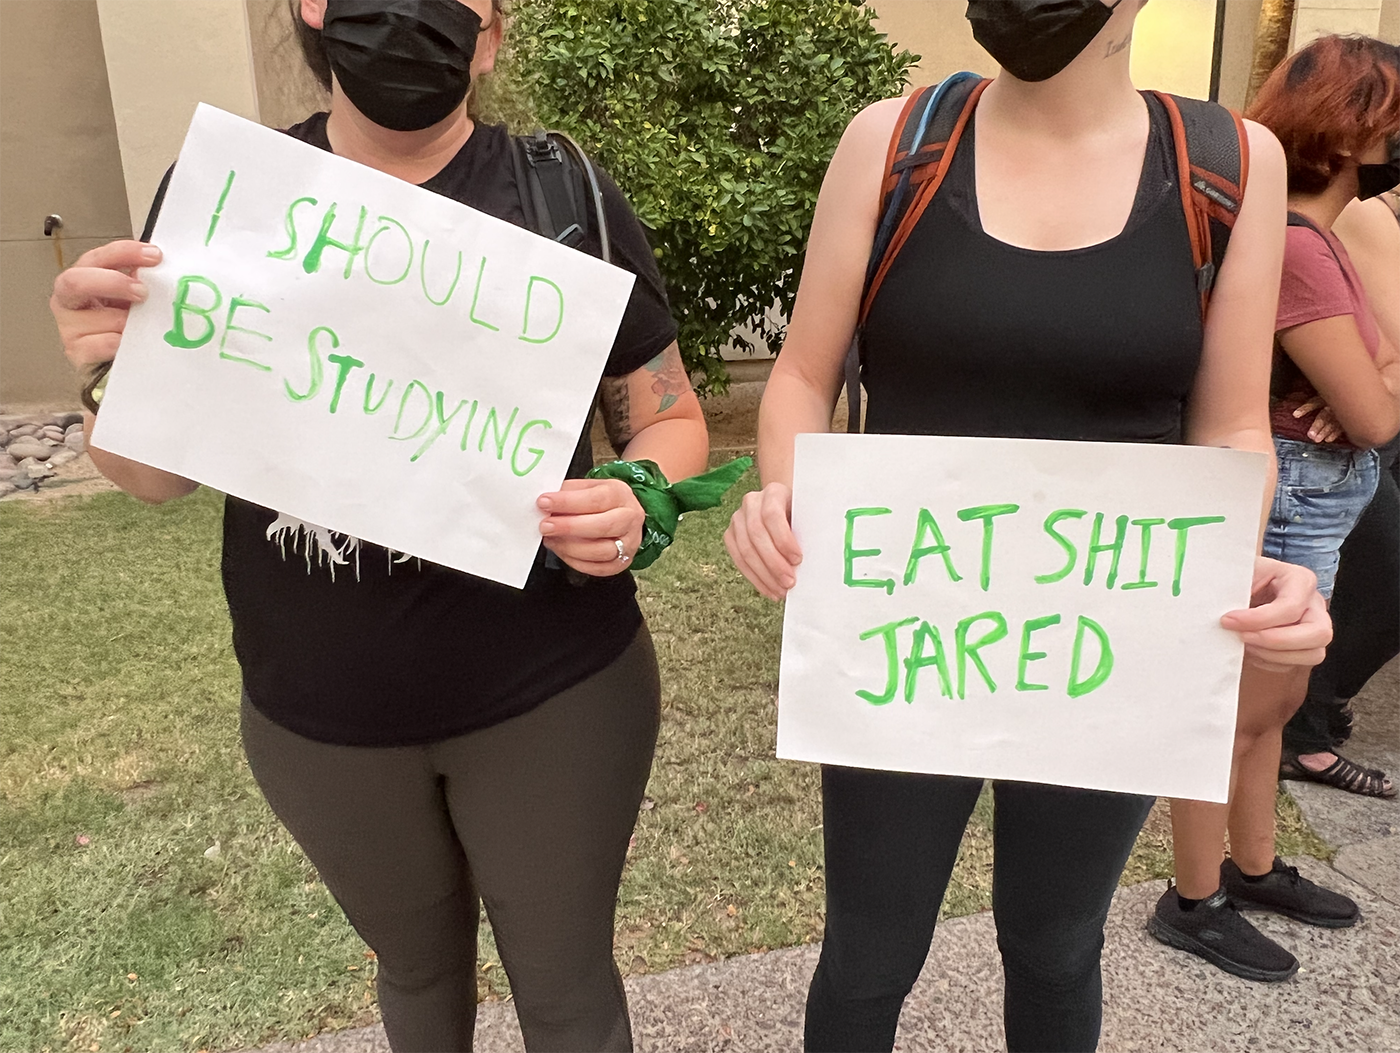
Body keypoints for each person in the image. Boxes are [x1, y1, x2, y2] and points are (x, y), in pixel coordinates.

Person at [49, 1, 709, 1050]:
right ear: (310, 10)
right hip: (319, 714)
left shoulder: (560, 193)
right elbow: (157, 478)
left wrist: (639, 491)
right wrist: (101, 376)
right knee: (413, 977)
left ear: (490, 35)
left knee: (568, 992)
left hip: (554, 690)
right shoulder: (230, 197)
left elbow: (669, 413)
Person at [724, 1, 1329, 1049]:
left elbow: (1229, 416)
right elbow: (799, 376)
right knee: (869, 949)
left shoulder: (1229, 162)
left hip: (1114, 639)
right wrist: (781, 493)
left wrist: (1246, 559)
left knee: (1053, 943)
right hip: (901, 633)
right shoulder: (895, 140)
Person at [1160, 34, 1400, 984]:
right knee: (1231, 710)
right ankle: (1193, 898)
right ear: (1352, 128)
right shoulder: (1299, 245)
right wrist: (1369, 386)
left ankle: (1252, 868)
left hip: (1316, 502)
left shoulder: (1315, 238)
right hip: (1288, 499)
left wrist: (1369, 384)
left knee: (1278, 703)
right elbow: (1376, 413)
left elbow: (1370, 398)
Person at [1279, 188, 1400, 798]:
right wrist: (1367, 385)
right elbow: (1375, 406)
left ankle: (1308, 719)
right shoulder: (1342, 226)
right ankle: (1302, 733)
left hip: (1349, 444)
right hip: (1318, 449)